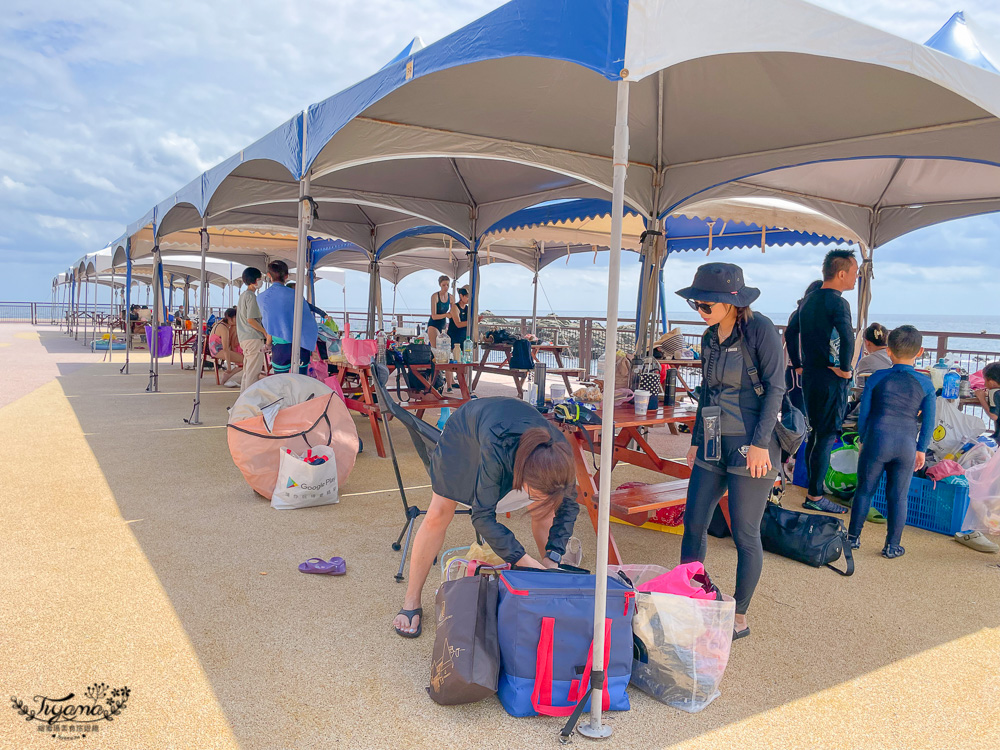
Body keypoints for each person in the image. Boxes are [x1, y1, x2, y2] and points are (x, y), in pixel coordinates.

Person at [393, 397, 580, 638]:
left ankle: (549, 582)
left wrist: (553, 558)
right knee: (439, 512)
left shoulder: (559, 455)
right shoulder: (498, 450)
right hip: (463, 436)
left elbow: (568, 508)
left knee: (546, 512)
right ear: (520, 475)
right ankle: (411, 600)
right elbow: (482, 517)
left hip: (510, 428)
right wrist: (522, 559)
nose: (535, 499)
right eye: (533, 493)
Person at [676, 263, 785, 641]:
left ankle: (739, 615)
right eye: (697, 306)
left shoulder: (760, 330)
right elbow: (706, 392)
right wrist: (694, 441)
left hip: (752, 443)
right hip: (712, 438)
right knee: (693, 522)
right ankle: (690, 596)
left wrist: (759, 445)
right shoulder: (708, 339)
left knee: (745, 533)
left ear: (731, 302)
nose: (701, 312)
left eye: (706, 306)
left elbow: (776, 389)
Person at [847, 326, 936, 559]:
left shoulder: (877, 378)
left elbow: (863, 414)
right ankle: (892, 546)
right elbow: (928, 422)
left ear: (889, 351)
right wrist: (921, 450)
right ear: (920, 352)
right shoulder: (926, 384)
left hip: (877, 439)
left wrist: (864, 440)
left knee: (865, 491)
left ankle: (852, 539)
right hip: (906, 444)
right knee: (898, 496)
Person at [790, 248, 858, 514]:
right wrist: (845, 369)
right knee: (827, 435)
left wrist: (797, 364)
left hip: (810, 376)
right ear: (841, 273)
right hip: (831, 379)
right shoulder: (838, 302)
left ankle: (810, 487)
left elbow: (790, 332)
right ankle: (816, 497)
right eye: (853, 273)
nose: (855, 278)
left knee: (816, 433)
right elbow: (847, 336)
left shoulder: (808, 300)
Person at [257, 260, 318, 375]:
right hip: (301, 345)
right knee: (301, 381)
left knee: (281, 382)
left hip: (280, 347)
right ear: (286, 276)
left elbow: (270, 325)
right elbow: (308, 322)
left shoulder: (262, 298)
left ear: (269, 275)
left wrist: (268, 344)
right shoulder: (296, 295)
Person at [784, 280, 822, 413]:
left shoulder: (801, 313)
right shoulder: (802, 314)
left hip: (804, 368)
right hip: (799, 369)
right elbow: (791, 337)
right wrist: (798, 365)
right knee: (798, 411)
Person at [236, 267, 270, 393]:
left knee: (247, 372)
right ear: (255, 280)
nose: (260, 281)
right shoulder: (251, 297)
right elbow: (251, 319)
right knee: (253, 373)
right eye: (260, 279)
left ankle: (243, 400)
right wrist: (265, 332)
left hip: (244, 338)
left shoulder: (243, 295)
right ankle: (248, 402)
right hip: (253, 337)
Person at [209, 308, 244, 388]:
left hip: (216, 349)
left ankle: (227, 376)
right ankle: (228, 374)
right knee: (246, 360)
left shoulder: (223, 323)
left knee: (245, 360)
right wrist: (228, 367)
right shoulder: (223, 328)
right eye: (236, 317)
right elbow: (225, 349)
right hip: (217, 350)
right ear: (229, 318)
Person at [445, 286, 470, 391]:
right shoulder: (455, 307)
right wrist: (472, 322)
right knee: (450, 360)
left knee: (464, 360)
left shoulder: (468, 308)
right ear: (461, 296)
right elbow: (458, 323)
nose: (468, 299)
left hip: (464, 336)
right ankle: (449, 385)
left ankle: (463, 383)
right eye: (467, 296)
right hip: (454, 335)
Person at [974, 362, 1000, 441]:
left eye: (985, 381)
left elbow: (994, 416)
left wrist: (981, 398)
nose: (985, 384)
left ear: (991, 382)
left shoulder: (994, 392)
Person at [427, 275, 453, 348]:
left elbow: (453, 312)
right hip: (434, 324)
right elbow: (434, 316)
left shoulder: (451, 297)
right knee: (436, 348)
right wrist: (446, 315)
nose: (446, 287)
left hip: (443, 324)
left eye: (447, 285)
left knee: (443, 349)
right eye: (444, 285)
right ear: (440, 285)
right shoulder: (435, 296)